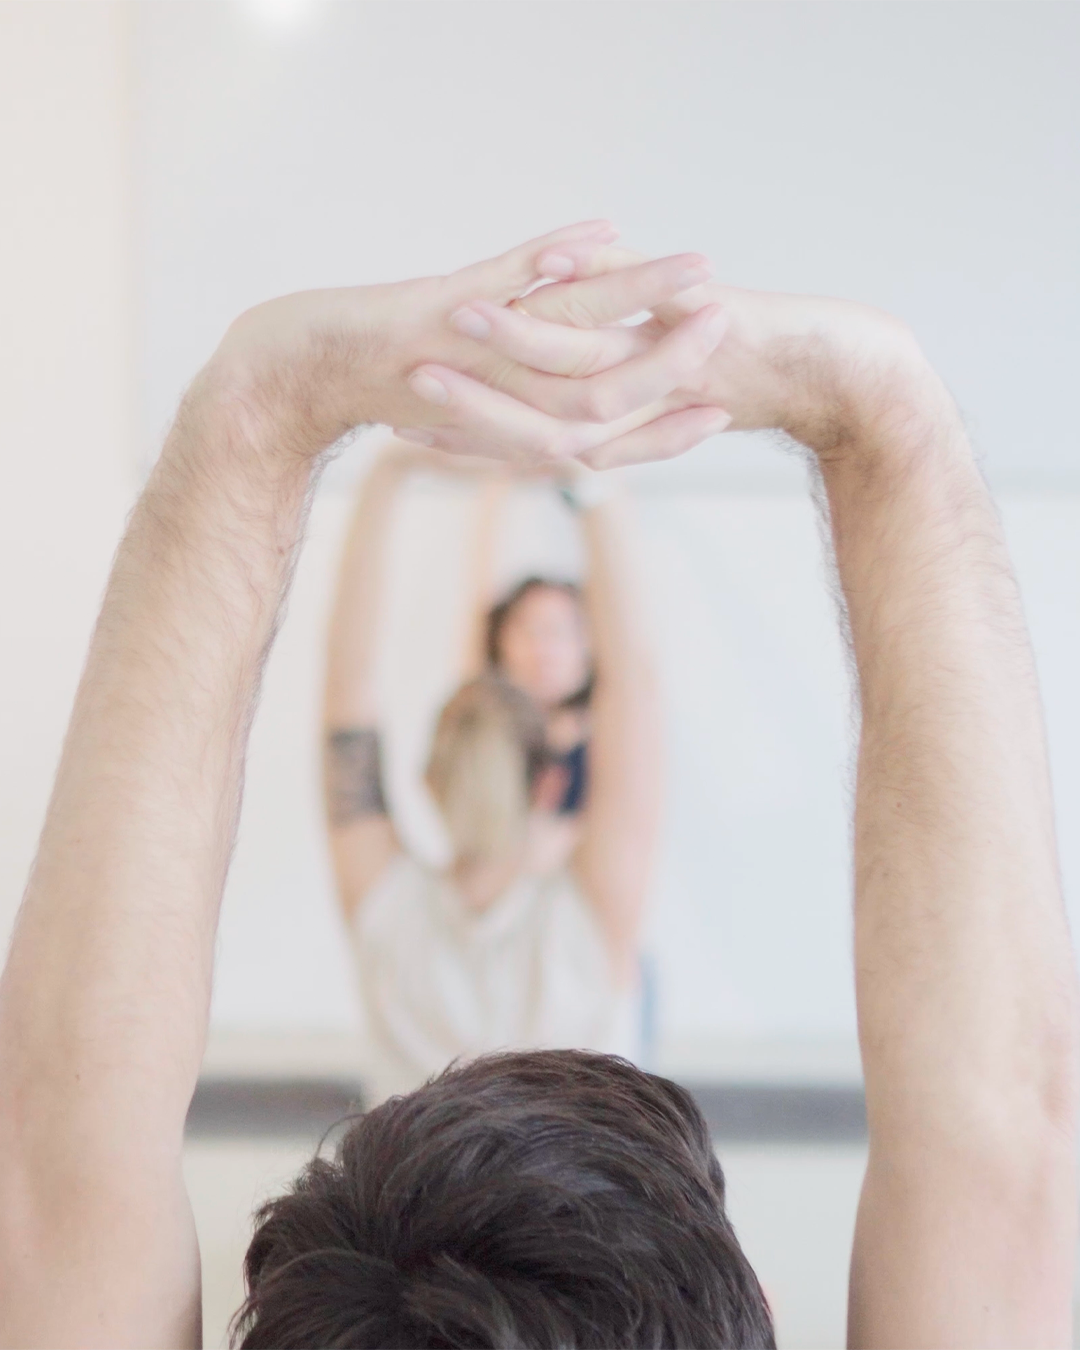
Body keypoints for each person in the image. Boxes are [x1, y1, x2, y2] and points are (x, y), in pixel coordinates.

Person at [0, 220, 1074, 1349]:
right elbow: (1005, 1133)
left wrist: (266, 413)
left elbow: (59, 1132)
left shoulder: (393, 904)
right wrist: (878, 416)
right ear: (761, 1312)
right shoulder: (582, 910)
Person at [323, 443, 661, 1101]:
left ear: (430, 781)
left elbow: (346, 684)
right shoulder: (588, 924)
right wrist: (592, 485)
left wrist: (388, 474)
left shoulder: (387, 914)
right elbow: (636, 686)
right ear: (550, 784)